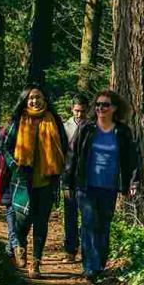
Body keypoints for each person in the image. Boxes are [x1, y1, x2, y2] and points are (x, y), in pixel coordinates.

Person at [62, 89, 139, 282]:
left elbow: (131, 160)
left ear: (114, 108)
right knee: (88, 223)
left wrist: (132, 182)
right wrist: (67, 183)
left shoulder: (122, 132)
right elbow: (73, 155)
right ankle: (90, 267)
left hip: (109, 187)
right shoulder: (87, 128)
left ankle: (99, 263)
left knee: (103, 225)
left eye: (105, 105)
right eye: (97, 105)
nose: (100, 108)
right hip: (85, 185)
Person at [1, 87, 68, 279]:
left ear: (45, 99)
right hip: (22, 180)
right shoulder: (18, 119)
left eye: (38, 97)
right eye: (31, 98)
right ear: (25, 100)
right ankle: (20, 247)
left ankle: (36, 262)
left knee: (41, 222)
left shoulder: (53, 120)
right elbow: (4, 146)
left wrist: (60, 169)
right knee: (22, 219)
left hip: (46, 181)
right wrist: (14, 165)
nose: (34, 101)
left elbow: (63, 146)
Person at [62, 95, 89, 263]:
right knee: (69, 214)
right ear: (72, 109)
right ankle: (70, 250)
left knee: (86, 214)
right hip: (68, 177)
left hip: (86, 177)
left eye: (83, 111)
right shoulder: (65, 127)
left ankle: (86, 249)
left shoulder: (92, 126)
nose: (79, 114)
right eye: (77, 111)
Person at [0, 125, 20, 264]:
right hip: (7, 177)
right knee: (10, 209)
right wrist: (4, 163)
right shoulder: (6, 130)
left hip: (26, 177)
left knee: (21, 213)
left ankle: (11, 246)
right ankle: (14, 245)